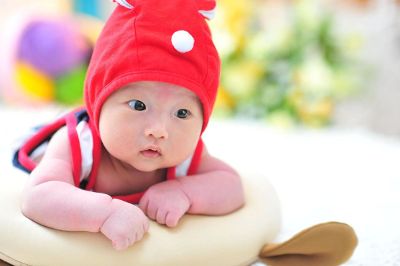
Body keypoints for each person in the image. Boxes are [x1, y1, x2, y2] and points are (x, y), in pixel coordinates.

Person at [13, 0, 245, 251]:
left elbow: (231, 186)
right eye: (138, 105)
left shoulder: (184, 155)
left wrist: (185, 192)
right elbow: (38, 197)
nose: (159, 130)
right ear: (99, 102)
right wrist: (103, 213)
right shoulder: (78, 143)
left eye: (181, 112)